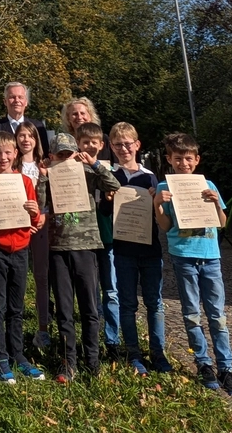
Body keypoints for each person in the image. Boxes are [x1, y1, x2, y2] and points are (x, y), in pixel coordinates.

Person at [154, 133, 232, 395]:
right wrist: (158, 205)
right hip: (183, 255)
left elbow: (222, 223)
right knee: (191, 313)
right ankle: (203, 364)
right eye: (178, 158)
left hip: (211, 256)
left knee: (217, 315)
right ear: (169, 160)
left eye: (188, 158)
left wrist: (215, 204)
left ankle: (226, 366)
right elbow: (165, 228)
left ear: (196, 160)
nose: (184, 163)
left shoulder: (208, 184)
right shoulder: (165, 187)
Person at [45, 130, 119, 383]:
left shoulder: (88, 174)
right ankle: (69, 363)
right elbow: (41, 205)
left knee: (89, 308)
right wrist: (44, 178)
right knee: (65, 310)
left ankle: (93, 361)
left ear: (76, 153)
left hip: (86, 246)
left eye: (69, 153)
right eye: (60, 154)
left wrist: (94, 164)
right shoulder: (49, 176)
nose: (65, 158)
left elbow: (114, 186)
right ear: (53, 155)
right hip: (58, 249)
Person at [99, 122, 172, 376]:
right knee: (127, 304)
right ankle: (133, 352)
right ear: (111, 147)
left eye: (128, 144)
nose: (123, 148)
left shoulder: (149, 176)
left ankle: (158, 353)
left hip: (150, 249)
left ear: (137, 145)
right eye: (118, 144)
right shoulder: (111, 176)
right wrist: (108, 201)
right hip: (123, 250)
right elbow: (105, 213)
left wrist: (156, 201)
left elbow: (159, 215)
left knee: (155, 303)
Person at [0, 131, 45, 383]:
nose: (2, 157)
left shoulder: (25, 181)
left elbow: (34, 220)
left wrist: (35, 212)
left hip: (20, 251)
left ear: (15, 153)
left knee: (16, 308)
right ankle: (0, 357)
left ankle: (18, 354)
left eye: (7, 152)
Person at [74, 122, 121, 360]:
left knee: (111, 290)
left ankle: (112, 340)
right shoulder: (72, 168)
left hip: (107, 236)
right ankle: (91, 341)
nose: (90, 146)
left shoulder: (105, 168)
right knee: (90, 292)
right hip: (86, 238)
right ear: (78, 144)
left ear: (101, 145)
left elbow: (114, 186)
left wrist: (94, 164)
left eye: (94, 142)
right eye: (85, 142)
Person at [13, 121, 52, 350]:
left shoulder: (44, 166)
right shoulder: (11, 166)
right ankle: (15, 329)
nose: (25, 139)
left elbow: (49, 196)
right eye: (21, 135)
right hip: (17, 227)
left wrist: (42, 217)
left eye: (30, 135)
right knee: (17, 278)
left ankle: (43, 328)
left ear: (36, 140)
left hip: (41, 225)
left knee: (41, 277)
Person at [0, 82, 50, 168]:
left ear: (26, 102)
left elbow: (44, 155)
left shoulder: (38, 127)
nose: (17, 100)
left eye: (20, 97)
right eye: (12, 97)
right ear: (5, 101)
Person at [60, 97, 114, 163]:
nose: (79, 117)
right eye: (75, 114)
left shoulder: (104, 139)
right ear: (68, 119)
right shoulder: (63, 142)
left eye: (82, 113)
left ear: (90, 116)